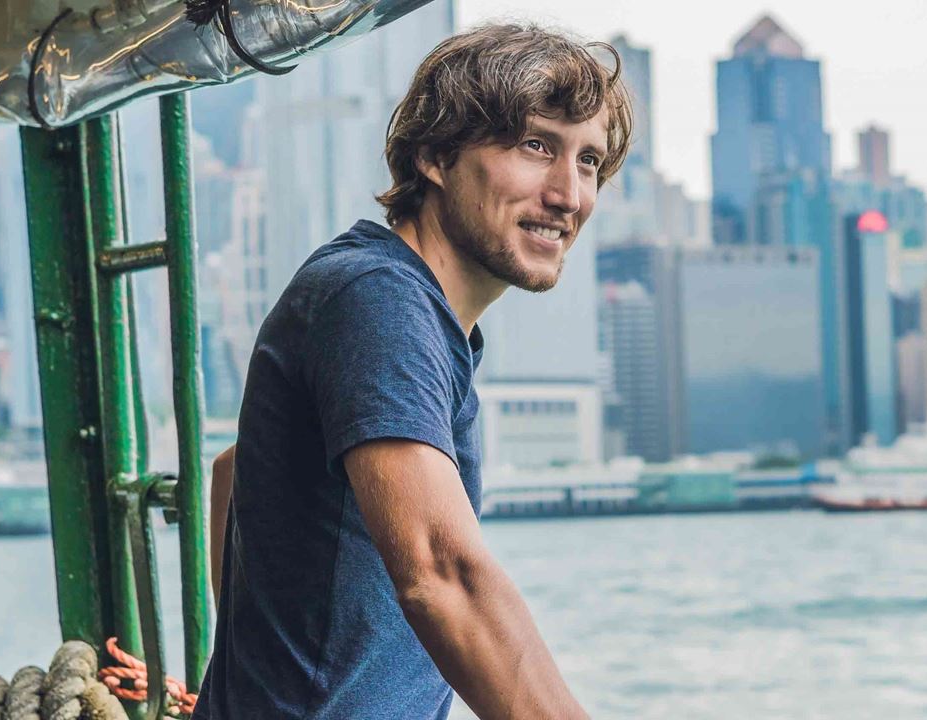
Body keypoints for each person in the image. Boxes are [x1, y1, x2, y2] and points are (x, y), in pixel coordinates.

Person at [193, 23, 632, 719]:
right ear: (435, 156)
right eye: (535, 146)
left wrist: (248, 684)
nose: (568, 195)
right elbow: (444, 574)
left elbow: (234, 471)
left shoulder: (407, 310)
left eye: (588, 163)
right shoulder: (380, 297)